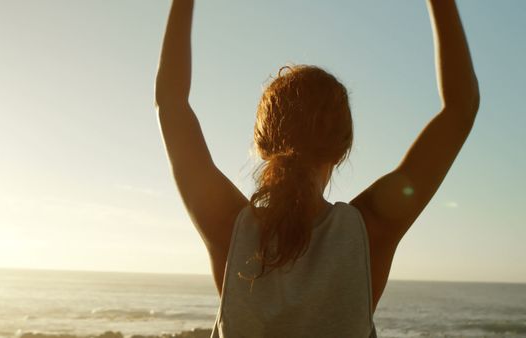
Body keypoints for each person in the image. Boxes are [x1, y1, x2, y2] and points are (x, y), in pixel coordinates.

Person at [154, 0, 479, 337]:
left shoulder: (231, 228)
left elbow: (171, 103)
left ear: (264, 144)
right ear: (342, 149)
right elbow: (460, 108)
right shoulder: (369, 231)